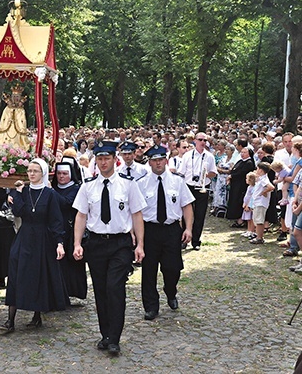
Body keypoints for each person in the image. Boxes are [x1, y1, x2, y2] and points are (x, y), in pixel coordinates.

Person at [72, 141, 146, 355]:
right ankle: (105, 334)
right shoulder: (88, 186)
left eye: (107, 158)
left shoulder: (128, 185)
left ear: (116, 159)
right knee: (101, 290)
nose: (103, 162)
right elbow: (81, 216)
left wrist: (140, 244)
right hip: (96, 243)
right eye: (100, 159)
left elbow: (137, 214)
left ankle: (114, 337)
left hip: (120, 244)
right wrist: (77, 243)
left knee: (115, 288)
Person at [0, 158, 67, 333]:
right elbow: (19, 212)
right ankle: (10, 319)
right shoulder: (22, 191)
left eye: (35, 171)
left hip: (42, 237)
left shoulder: (49, 194)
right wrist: (19, 194)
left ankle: (37, 315)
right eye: (29, 171)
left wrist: (59, 242)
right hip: (24, 235)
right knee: (16, 271)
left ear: (43, 173)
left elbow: (55, 220)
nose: (31, 174)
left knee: (39, 274)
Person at [137, 145, 194, 321]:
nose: (158, 163)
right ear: (149, 162)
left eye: (161, 159)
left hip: (171, 230)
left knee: (172, 268)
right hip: (150, 230)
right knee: (149, 270)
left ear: (166, 160)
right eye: (154, 160)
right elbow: (136, 212)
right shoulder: (141, 183)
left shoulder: (177, 181)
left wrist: (188, 228)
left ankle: (170, 291)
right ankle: (151, 306)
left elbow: (187, 206)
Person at [52, 161, 87, 302]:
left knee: (72, 263)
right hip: (56, 228)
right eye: (59, 173)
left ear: (71, 174)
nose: (61, 177)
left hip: (71, 228)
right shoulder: (53, 188)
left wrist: (52, 192)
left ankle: (73, 291)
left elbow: (67, 203)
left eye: (65, 174)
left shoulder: (76, 189)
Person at [178, 132, 217, 250]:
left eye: (205, 140)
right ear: (195, 141)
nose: (203, 142)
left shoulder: (209, 156)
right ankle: (184, 239)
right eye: (200, 140)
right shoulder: (187, 155)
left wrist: (205, 175)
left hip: (202, 187)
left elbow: (214, 173)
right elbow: (181, 172)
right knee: (186, 214)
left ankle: (196, 241)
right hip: (189, 186)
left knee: (200, 215)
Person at [226, 144, 256, 226]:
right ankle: (236, 218)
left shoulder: (249, 163)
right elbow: (234, 170)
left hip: (242, 186)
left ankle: (241, 220)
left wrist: (232, 176)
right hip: (235, 185)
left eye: (244, 152)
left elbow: (241, 173)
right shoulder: (240, 161)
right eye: (241, 152)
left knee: (240, 201)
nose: (242, 154)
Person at [249, 162, 275, 245]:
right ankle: (258, 236)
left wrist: (264, 192)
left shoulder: (264, 179)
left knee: (259, 220)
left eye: (257, 169)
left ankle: (259, 237)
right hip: (258, 202)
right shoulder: (261, 178)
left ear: (260, 170)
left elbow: (271, 187)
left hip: (261, 202)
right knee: (257, 219)